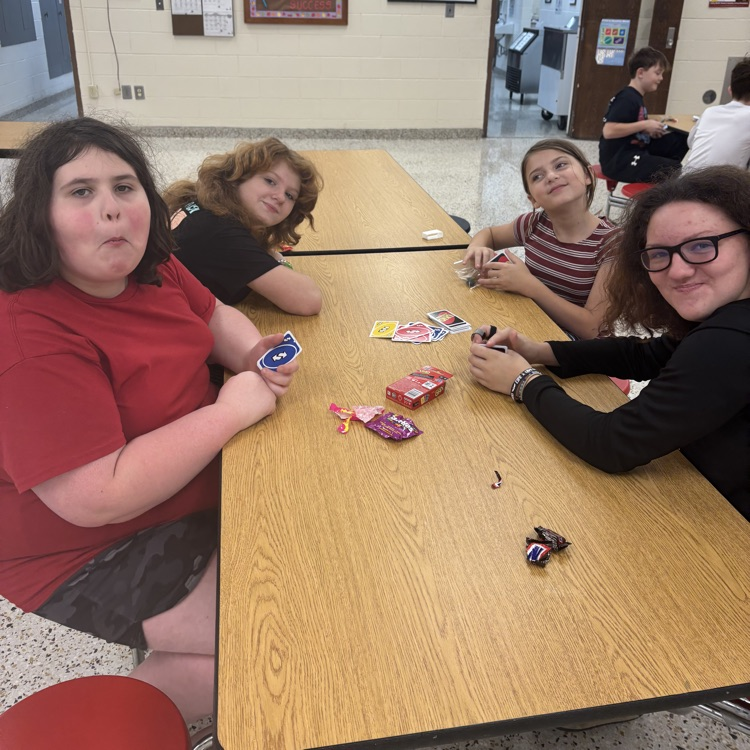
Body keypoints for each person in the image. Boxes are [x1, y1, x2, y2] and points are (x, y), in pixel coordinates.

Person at [0, 117, 299, 722]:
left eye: (125, 186)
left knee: (285, 611)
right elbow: (95, 496)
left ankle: (146, 711)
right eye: (81, 191)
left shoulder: (149, 264)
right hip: (85, 546)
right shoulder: (29, 335)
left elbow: (214, 315)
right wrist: (228, 413)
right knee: (281, 633)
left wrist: (251, 355)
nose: (111, 210)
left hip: (183, 486)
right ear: (40, 215)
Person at [468, 165, 750, 522]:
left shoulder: (730, 341)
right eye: (660, 254)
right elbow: (645, 354)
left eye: (701, 246)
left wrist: (522, 381)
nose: (677, 271)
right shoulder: (723, 314)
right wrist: (538, 351)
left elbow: (612, 444)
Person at [461, 139, 617, 340]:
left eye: (560, 165)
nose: (551, 176)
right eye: (537, 176)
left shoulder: (612, 244)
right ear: (533, 199)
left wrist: (529, 285)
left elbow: (592, 329)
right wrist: (477, 246)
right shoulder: (533, 224)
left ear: (587, 175)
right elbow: (489, 234)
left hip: (582, 353)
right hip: (535, 329)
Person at [164, 137, 323, 314]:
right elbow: (309, 299)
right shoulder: (221, 233)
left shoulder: (206, 203)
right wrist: (280, 262)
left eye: (290, 195)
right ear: (239, 176)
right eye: (270, 181)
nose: (279, 197)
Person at [599, 46, 689, 184]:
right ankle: (656, 195)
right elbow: (609, 131)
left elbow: (631, 127)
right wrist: (644, 124)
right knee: (673, 168)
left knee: (680, 138)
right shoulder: (627, 98)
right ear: (640, 72)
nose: (661, 78)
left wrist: (648, 130)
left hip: (635, 150)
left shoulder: (636, 97)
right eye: (657, 73)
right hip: (618, 162)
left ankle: (659, 175)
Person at [685, 56, 750, 171]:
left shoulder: (709, 112)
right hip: (720, 186)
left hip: (683, 184)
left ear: (730, 90)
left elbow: (691, 143)